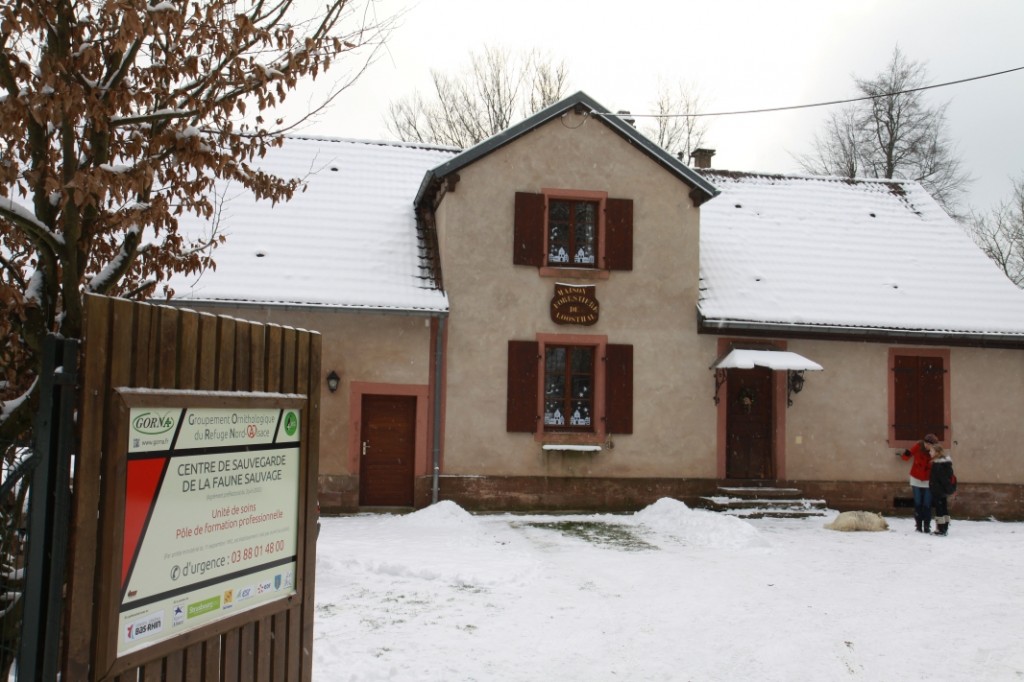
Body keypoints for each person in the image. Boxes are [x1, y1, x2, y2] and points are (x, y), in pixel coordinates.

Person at [898, 433, 938, 533]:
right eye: (926, 443)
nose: (927, 445)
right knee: (918, 503)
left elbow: (938, 465)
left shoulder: (935, 452)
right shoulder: (918, 446)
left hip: (928, 480)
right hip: (916, 479)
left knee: (927, 504)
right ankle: (918, 526)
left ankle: (927, 526)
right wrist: (906, 453)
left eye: (930, 444)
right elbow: (906, 457)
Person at [929, 444, 956, 536]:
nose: (930, 452)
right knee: (944, 508)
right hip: (943, 491)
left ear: (936, 452)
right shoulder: (945, 464)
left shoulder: (937, 465)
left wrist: (935, 487)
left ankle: (940, 528)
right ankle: (945, 526)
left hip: (938, 491)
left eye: (931, 451)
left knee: (939, 509)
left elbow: (941, 479)